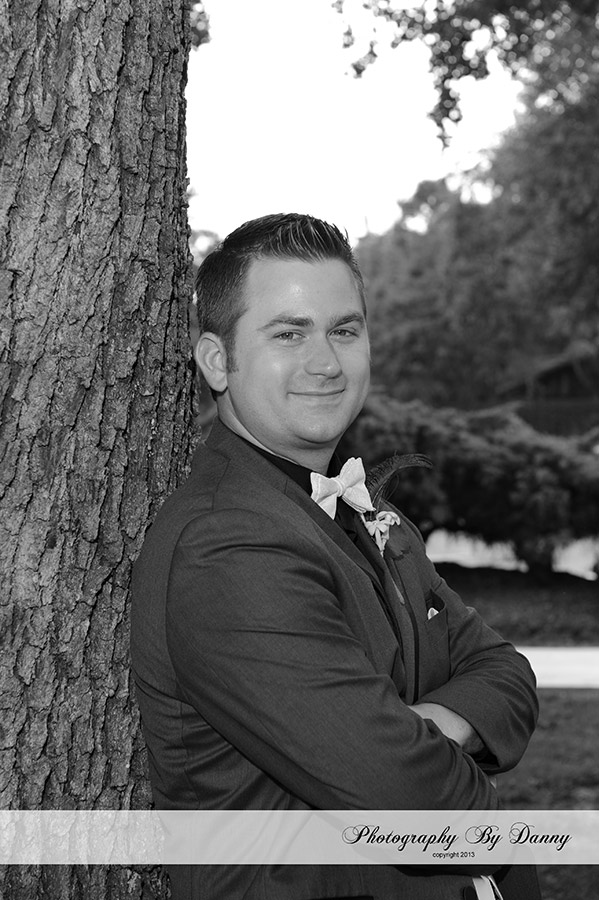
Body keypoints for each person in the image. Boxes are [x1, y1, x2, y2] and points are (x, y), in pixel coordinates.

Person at [131, 213, 540, 900]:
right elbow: (409, 799)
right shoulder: (226, 544)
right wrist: (424, 748)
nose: (325, 363)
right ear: (216, 361)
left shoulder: (367, 513)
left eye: (344, 331)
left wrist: (423, 730)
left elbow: (506, 673)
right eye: (288, 334)